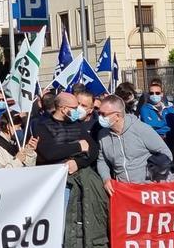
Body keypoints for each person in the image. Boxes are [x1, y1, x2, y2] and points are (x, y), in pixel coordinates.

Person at [34, 92, 108, 248]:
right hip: (57, 187)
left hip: (77, 182)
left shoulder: (75, 125)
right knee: (58, 228)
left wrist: (78, 161)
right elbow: (49, 152)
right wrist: (78, 146)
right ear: (63, 108)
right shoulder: (43, 126)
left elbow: (93, 150)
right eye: (75, 107)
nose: (77, 110)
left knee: (74, 226)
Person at [96, 94, 173, 191]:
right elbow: (102, 160)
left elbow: (166, 154)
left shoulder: (141, 129)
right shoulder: (102, 135)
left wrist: (154, 175)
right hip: (124, 192)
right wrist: (106, 179)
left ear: (117, 115)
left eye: (103, 114)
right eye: (99, 113)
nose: (99, 117)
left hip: (147, 189)